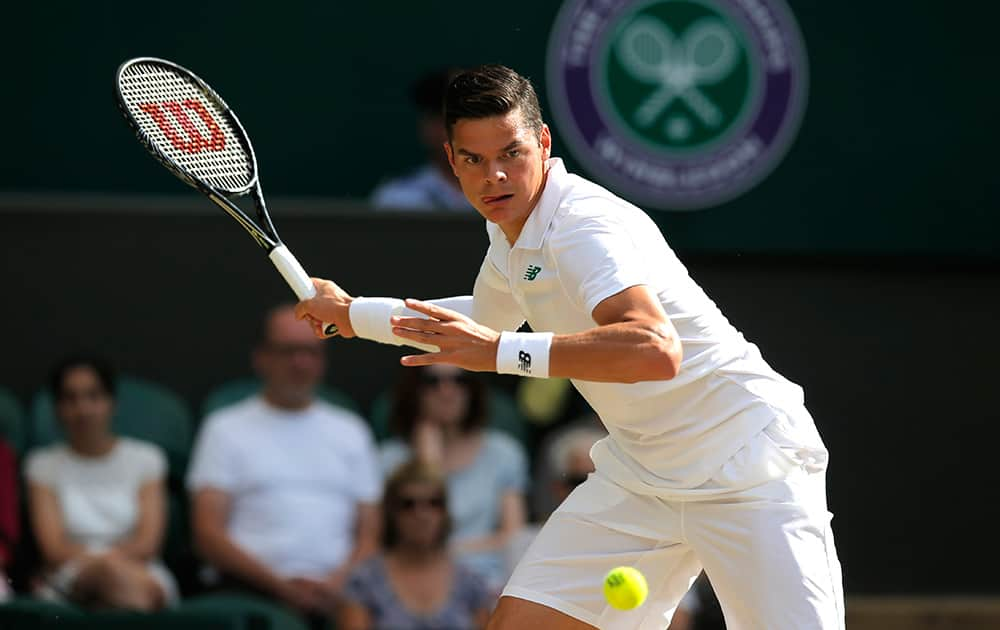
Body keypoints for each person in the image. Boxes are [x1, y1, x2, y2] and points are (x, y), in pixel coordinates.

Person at [295, 65, 843, 629]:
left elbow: (655, 348)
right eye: (474, 160)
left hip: (747, 462)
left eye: (511, 152)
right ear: (452, 159)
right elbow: (479, 322)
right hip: (644, 475)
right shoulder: (512, 233)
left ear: (544, 142)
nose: (496, 177)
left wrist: (502, 353)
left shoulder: (582, 226)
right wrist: (353, 314)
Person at [187, 305, 381, 623]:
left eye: (311, 352)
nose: (300, 363)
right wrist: (280, 587)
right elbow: (207, 533)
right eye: (289, 351)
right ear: (261, 357)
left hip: (340, 595)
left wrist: (335, 584)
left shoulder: (351, 431)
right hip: (249, 592)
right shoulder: (224, 428)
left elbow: (370, 534)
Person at [25, 355, 177, 610]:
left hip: (141, 569)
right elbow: (53, 549)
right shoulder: (42, 465)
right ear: (57, 408)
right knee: (120, 588)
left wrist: (112, 565)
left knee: (127, 587)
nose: (82, 409)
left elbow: (148, 543)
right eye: (70, 399)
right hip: (72, 572)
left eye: (93, 396)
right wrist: (103, 566)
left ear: (111, 402)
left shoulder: (147, 458)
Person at [379, 364, 528, 593]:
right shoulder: (389, 460)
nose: (446, 391)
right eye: (432, 382)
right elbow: (397, 542)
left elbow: (513, 537)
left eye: (459, 380)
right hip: (415, 582)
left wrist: (453, 552)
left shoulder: (503, 453)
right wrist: (428, 466)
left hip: (488, 583)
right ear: (415, 390)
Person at [337, 459, 494, 630]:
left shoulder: (472, 583)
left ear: (445, 511)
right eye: (408, 504)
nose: (421, 514)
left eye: (434, 503)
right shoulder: (363, 582)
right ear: (391, 511)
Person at [370, 69, 473, 212]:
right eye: (440, 118)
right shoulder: (397, 199)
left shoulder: (512, 195)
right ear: (426, 127)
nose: (452, 130)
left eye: (467, 116)